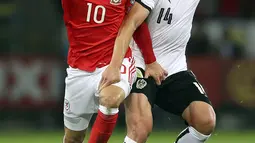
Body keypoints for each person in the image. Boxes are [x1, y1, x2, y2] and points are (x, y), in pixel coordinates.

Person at [109, 0, 216, 143]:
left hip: (175, 67)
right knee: (140, 130)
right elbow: (131, 23)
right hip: (141, 63)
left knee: (205, 120)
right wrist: (147, 61)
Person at [61, 0, 166, 142]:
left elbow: (135, 23)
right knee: (73, 138)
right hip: (80, 68)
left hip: (117, 61)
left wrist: (150, 60)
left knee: (111, 99)